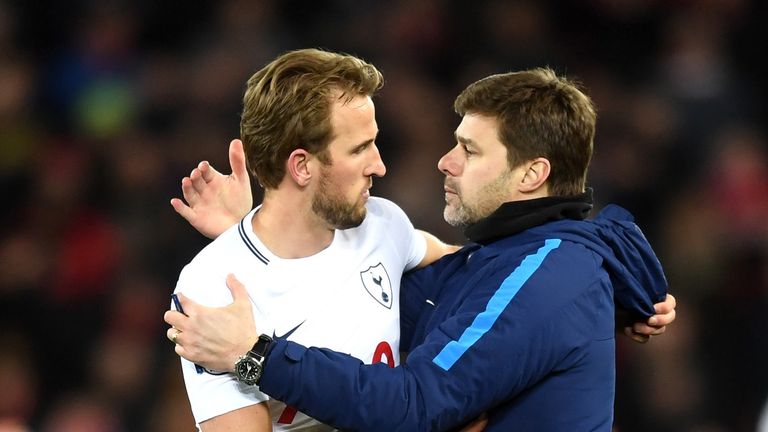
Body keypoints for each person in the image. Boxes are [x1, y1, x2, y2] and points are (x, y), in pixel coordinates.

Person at [166, 65, 676, 431]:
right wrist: (249, 239)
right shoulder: (505, 262)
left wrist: (254, 356)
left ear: (531, 174)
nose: (445, 162)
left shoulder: (544, 277)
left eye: (470, 150)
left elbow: (417, 405)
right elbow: (349, 293)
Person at [169, 48, 461, 431]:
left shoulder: (384, 224)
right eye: (359, 149)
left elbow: (471, 268)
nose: (379, 165)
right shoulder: (212, 287)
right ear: (302, 166)